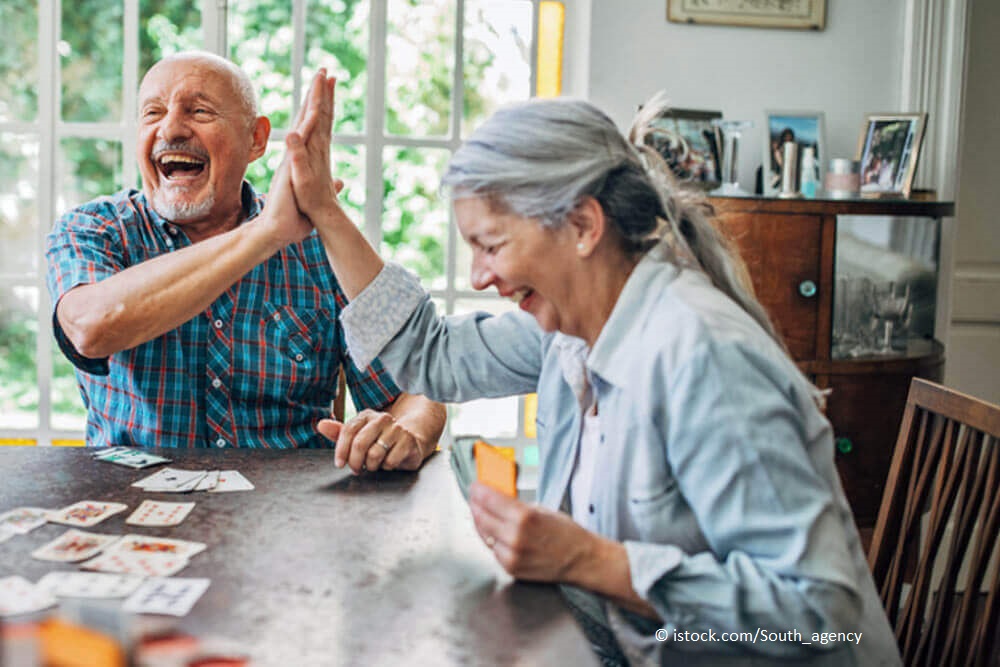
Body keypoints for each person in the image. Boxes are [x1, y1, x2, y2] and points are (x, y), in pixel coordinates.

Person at [284, 76, 901, 665]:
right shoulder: (571, 330)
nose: (477, 278)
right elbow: (433, 354)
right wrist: (325, 212)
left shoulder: (704, 356)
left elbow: (819, 616)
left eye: (491, 246)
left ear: (582, 226)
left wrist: (590, 562)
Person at [45, 52, 445, 467]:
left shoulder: (321, 249)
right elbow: (91, 329)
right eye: (153, 112)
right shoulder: (94, 229)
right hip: (130, 505)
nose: (171, 128)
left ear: (256, 139)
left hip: (289, 513)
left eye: (199, 111)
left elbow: (414, 390)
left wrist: (406, 433)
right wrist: (265, 233)